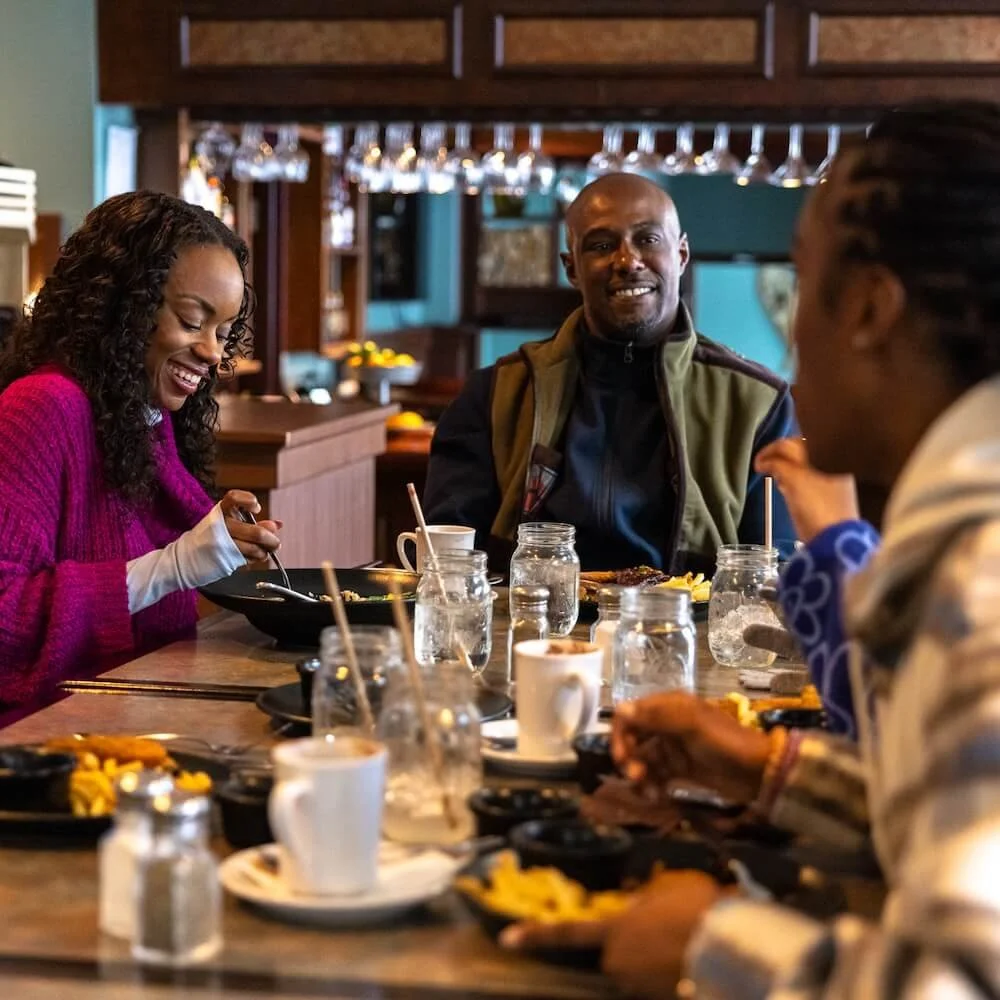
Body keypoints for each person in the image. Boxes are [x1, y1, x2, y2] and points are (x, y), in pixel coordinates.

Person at [504, 100, 1000, 998]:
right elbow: (939, 815)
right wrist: (764, 770)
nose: (788, 334)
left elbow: (958, 983)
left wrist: (715, 944)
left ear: (872, 311)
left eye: (799, 282)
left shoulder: (979, 592)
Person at [423, 173, 797, 573]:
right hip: (532, 630)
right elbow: (451, 569)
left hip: (687, 628)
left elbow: (774, 573)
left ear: (682, 255)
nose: (627, 261)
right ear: (572, 268)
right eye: (602, 246)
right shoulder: (494, 395)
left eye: (648, 239)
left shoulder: (758, 403)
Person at [0, 191, 281, 708]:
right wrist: (173, 565)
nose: (213, 352)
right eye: (193, 322)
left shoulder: (139, 417)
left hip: (136, 712)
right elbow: (5, 615)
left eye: (223, 332)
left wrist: (222, 539)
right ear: (122, 305)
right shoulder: (38, 408)